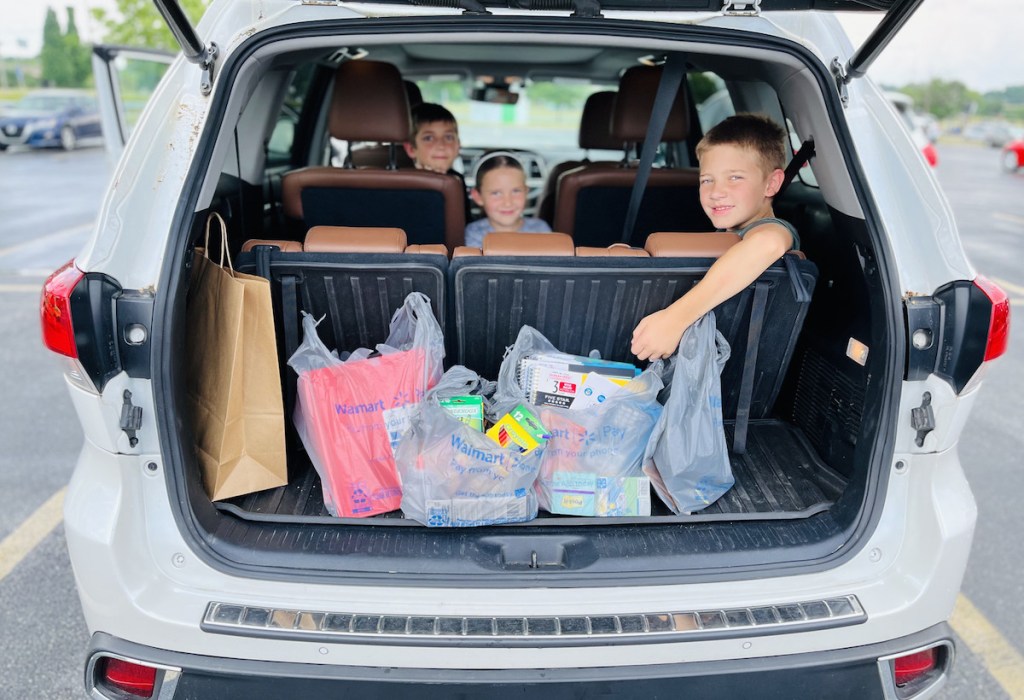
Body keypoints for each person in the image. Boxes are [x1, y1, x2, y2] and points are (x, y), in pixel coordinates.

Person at [630, 113, 800, 361]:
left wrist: (674, 319)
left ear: (771, 184)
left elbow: (769, 243)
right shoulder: (727, 235)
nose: (716, 192)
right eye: (707, 180)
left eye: (735, 177)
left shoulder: (772, 229)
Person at [403, 102, 472, 223]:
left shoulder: (456, 180)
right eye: (428, 138)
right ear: (411, 149)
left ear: (458, 145)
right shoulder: (401, 184)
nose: (441, 145)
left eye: (449, 137)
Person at [464, 153, 552, 248]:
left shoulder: (541, 230)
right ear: (478, 197)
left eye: (516, 191)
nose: (508, 203)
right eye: (496, 193)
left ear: (526, 192)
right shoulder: (473, 233)